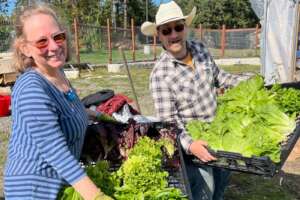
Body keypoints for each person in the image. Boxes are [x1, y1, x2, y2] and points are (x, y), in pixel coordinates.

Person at [141, 1, 250, 200]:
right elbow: (169, 124)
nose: (174, 35)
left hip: (220, 134)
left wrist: (248, 81)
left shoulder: (200, 49)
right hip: (194, 146)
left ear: (185, 27)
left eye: (178, 27)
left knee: (221, 182)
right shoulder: (160, 75)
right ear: (159, 36)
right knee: (204, 190)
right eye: (166, 31)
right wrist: (191, 146)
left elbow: (220, 78)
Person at [3, 5, 112, 200]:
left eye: (58, 37)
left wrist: (95, 114)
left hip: (60, 184)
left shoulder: (58, 74)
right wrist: (97, 197)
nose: (53, 46)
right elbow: (57, 153)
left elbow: (67, 107)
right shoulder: (31, 88)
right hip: (34, 190)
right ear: (25, 48)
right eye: (42, 42)